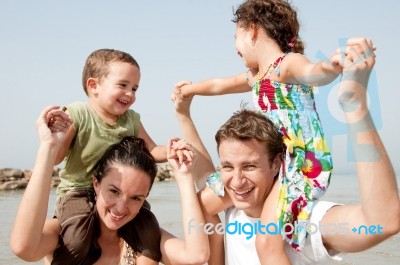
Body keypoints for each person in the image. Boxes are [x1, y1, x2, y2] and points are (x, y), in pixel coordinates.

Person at [172, 37, 400, 264]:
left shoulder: (303, 221)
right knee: (202, 202)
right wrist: (184, 109)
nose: (237, 181)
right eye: (228, 166)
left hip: (302, 158)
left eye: (250, 166)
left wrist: (353, 104)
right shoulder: (235, 205)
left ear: (275, 164)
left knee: (267, 243)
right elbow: (203, 178)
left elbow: (381, 222)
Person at [178, 0, 344, 262]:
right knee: (205, 202)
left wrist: (332, 66)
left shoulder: (287, 64)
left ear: (252, 30)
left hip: (297, 163)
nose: (235, 48)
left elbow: (314, 72)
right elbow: (220, 84)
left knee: (266, 241)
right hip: (269, 159)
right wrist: (190, 89)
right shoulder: (255, 76)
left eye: (236, 37)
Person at [10, 105, 210, 264]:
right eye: (114, 191)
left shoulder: (147, 235)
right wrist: (48, 149)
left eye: (136, 198)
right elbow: (23, 248)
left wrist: (184, 178)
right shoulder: (63, 232)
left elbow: (197, 256)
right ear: (95, 183)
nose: (121, 207)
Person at [46, 48, 169, 264]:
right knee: (75, 240)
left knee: (149, 228)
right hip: (78, 192)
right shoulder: (78, 114)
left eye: (135, 88)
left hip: (120, 192)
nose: (130, 94)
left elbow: (151, 150)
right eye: (123, 85)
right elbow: (56, 158)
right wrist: (54, 137)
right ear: (93, 86)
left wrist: (171, 150)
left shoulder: (131, 119)